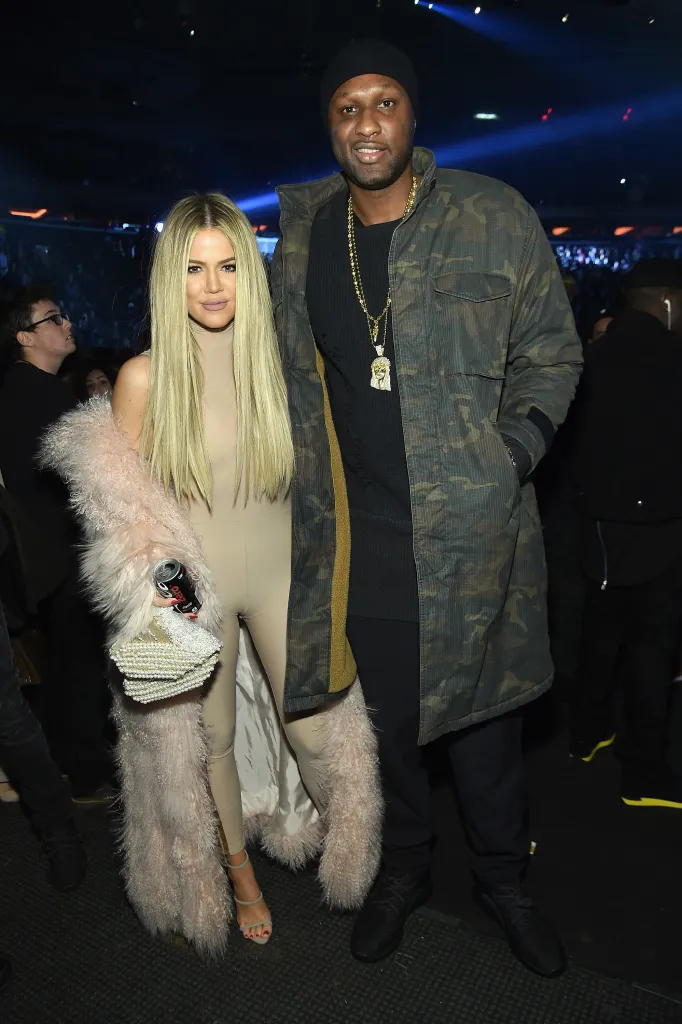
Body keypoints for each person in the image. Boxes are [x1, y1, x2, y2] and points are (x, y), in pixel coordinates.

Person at [271, 40, 582, 977]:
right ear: (331, 127)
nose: (367, 122)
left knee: (486, 736)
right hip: (359, 543)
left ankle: (504, 881)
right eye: (347, 108)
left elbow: (553, 351)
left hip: (475, 539)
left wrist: (513, 453)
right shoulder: (303, 235)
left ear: (413, 117)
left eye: (385, 102)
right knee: (391, 731)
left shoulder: (493, 215)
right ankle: (404, 869)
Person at [41, 193, 381, 954]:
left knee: (320, 719)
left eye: (228, 265)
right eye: (194, 268)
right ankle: (239, 876)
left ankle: (350, 843)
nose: (214, 284)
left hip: (280, 573)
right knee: (210, 739)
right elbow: (125, 517)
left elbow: (324, 482)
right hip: (195, 589)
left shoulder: (284, 367)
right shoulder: (143, 378)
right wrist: (172, 600)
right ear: (171, 277)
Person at [571, 259, 682, 808]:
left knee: (602, 630)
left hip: (599, 521)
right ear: (665, 297)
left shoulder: (595, 353)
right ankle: (643, 773)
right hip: (658, 524)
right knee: (652, 650)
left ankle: (586, 732)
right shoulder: (671, 356)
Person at [0, 288, 113, 803]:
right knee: (80, 665)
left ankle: (75, 768)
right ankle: (85, 774)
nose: (66, 324)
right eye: (52, 318)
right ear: (25, 337)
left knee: (71, 664)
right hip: (59, 555)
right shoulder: (34, 392)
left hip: (54, 555)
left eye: (64, 315)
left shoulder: (35, 388)